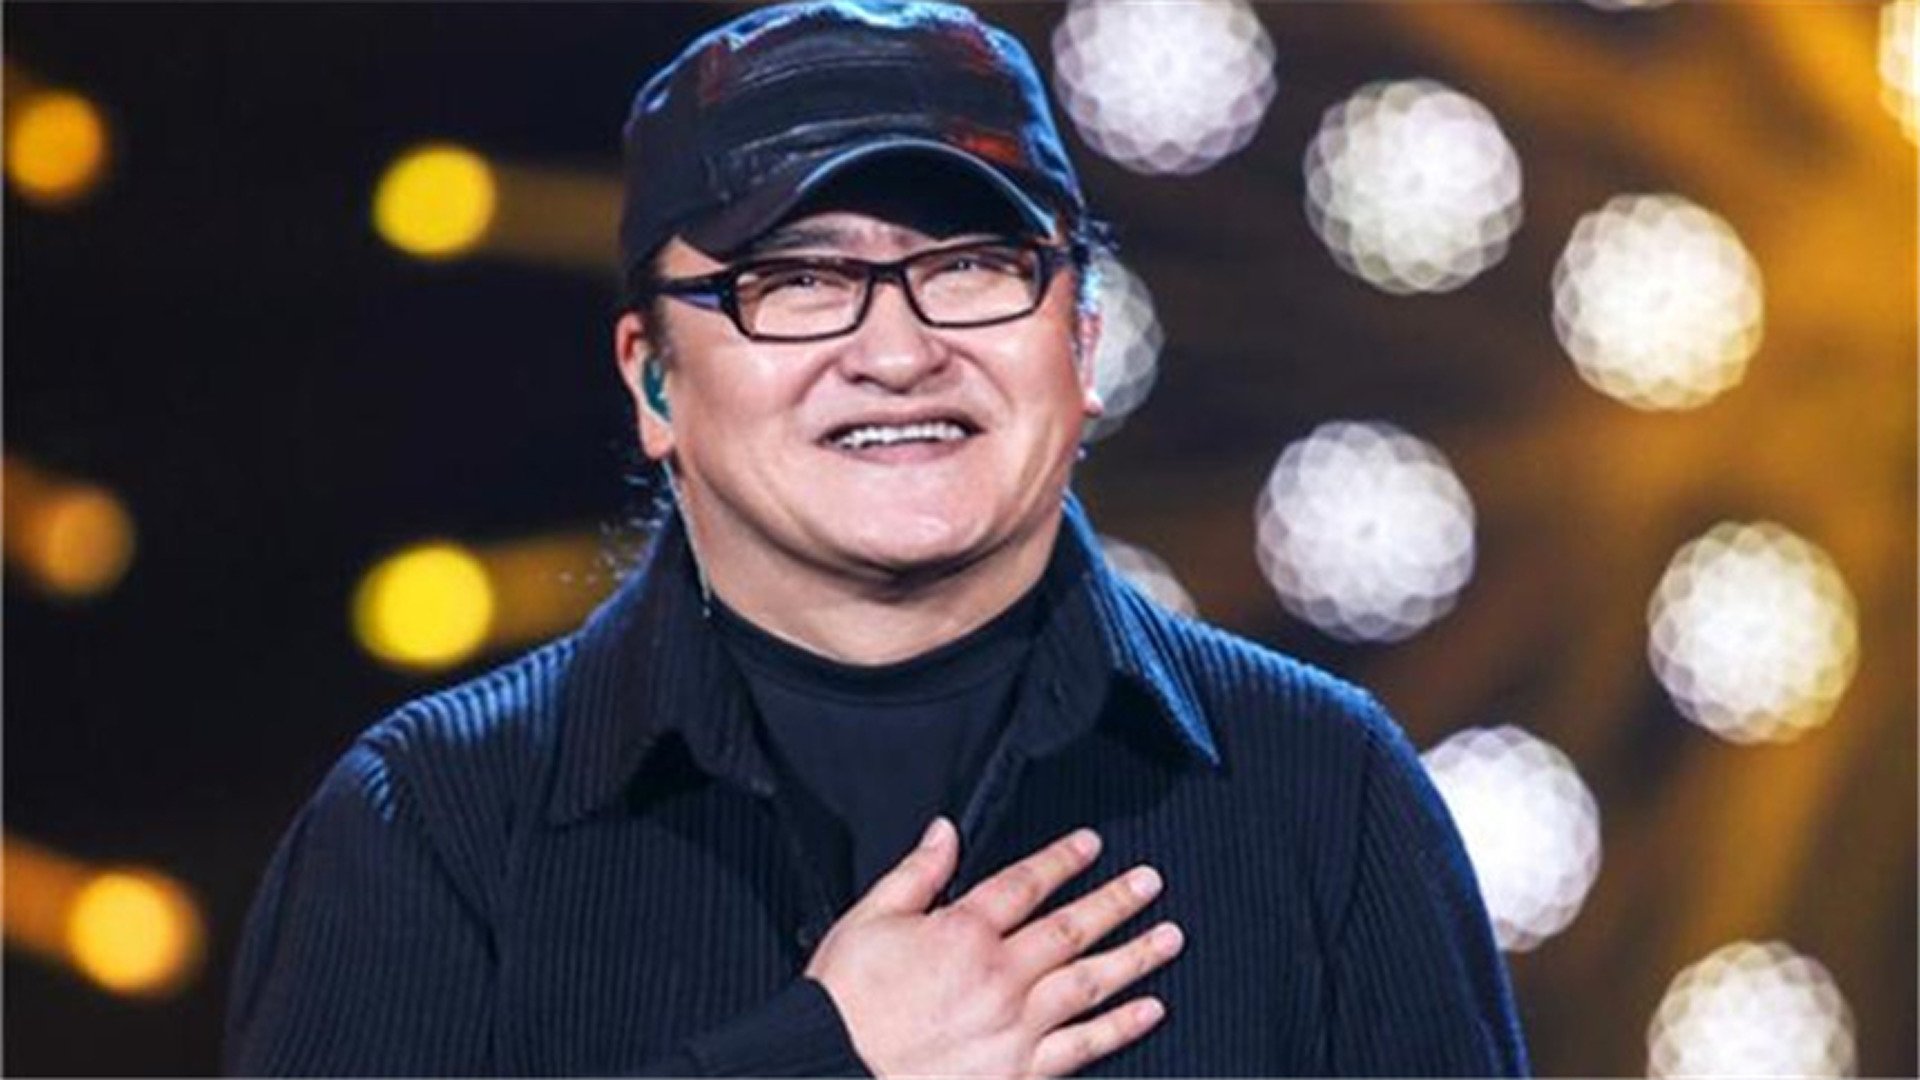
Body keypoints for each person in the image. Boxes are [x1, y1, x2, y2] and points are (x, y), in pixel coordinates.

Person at [223, 2, 1529, 1075]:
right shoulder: (432, 829)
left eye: (971, 266)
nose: (899, 351)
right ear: (654, 380)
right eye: (796, 280)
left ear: (1081, 342)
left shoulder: (1324, 795)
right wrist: (823, 1061)